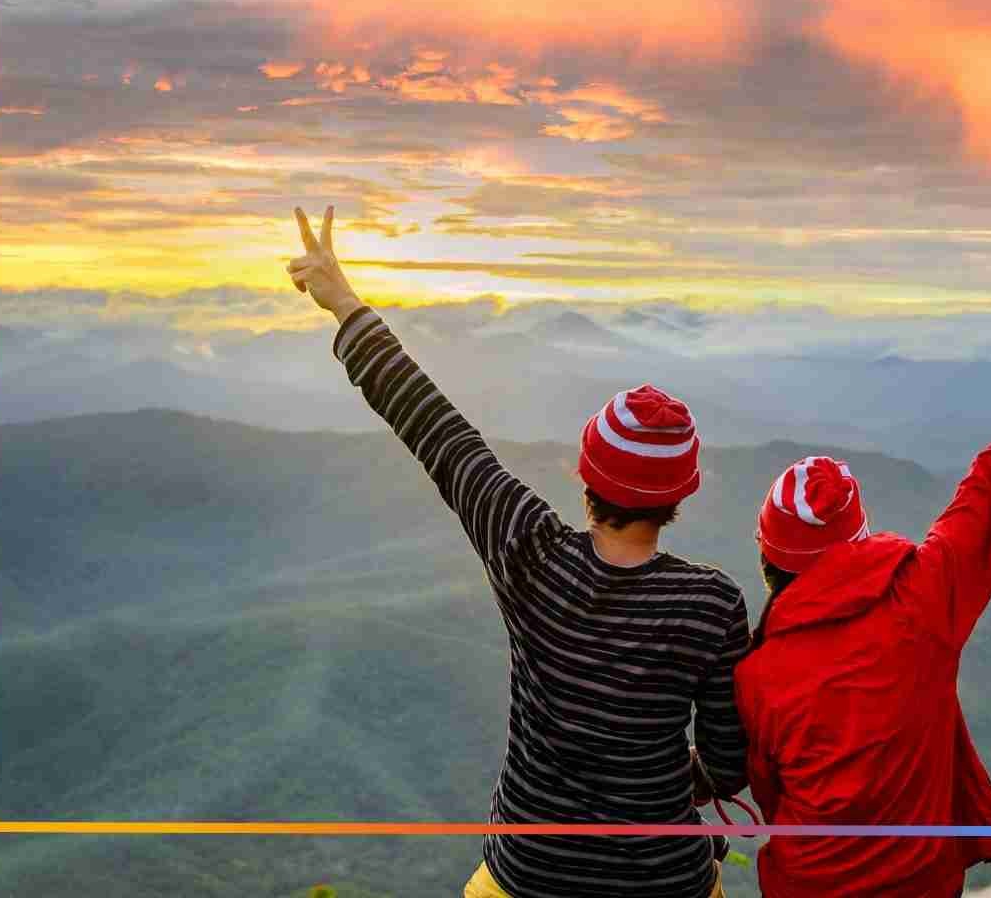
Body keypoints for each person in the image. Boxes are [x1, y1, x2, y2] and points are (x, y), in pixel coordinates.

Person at [286, 206, 749, 898]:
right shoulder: (711, 605)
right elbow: (729, 761)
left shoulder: (529, 551)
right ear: (679, 496)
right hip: (663, 882)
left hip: (527, 874)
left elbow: (439, 433)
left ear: (588, 477)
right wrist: (671, 777)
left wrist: (346, 305)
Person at [734, 290, 991, 897]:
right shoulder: (924, 600)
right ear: (858, 540)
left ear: (769, 560)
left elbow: (770, 793)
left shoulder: (756, 673)